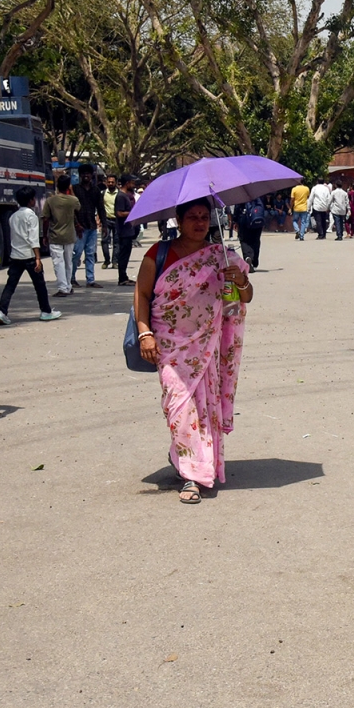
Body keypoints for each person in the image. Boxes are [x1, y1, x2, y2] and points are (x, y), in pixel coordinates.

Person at [133, 198, 253, 504]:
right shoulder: (159, 253)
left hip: (208, 346)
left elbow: (247, 296)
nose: (199, 223)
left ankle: (192, 475)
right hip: (170, 346)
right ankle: (190, 464)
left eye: (203, 217)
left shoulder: (222, 257)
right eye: (192, 218)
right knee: (179, 405)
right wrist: (145, 333)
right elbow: (142, 294)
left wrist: (238, 279)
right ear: (178, 219)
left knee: (203, 409)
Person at [0, 187, 61, 325]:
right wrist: (38, 258)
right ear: (31, 200)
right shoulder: (31, 216)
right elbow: (33, 238)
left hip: (16, 256)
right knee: (40, 285)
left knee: (10, 285)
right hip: (29, 256)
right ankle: (46, 311)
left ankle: (1, 311)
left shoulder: (13, 216)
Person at [41, 175, 81, 297]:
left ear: (57, 185)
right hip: (69, 235)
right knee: (69, 262)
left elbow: (46, 219)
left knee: (58, 263)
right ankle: (68, 286)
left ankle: (62, 288)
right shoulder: (73, 200)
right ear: (68, 186)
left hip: (55, 236)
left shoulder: (50, 201)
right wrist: (72, 190)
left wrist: (45, 235)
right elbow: (78, 210)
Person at [72, 166, 105, 288]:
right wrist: (76, 224)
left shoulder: (96, 190)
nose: (86, 175)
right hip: (79, 227)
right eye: (84, 173)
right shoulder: (75, 189)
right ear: (80, 175)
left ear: (92, 175)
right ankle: (72, 278)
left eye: (88, 173)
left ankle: (90, 280)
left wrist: (104, 225)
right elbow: (72, 210)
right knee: (76, 253)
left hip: (91, 226)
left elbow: (101, 208)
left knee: (91, 254)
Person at [114, 174, 139, 286]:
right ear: (127, 183)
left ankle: (124, 275)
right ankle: (122, 277)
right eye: (132, 182)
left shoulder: (127, 196)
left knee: (127, 253)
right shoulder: (121, 196)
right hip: (123, 230)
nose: (134, 185)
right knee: (123, 254)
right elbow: (119, 213)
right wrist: (133, 213)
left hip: (128, 229)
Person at [237, 196, 266, 269]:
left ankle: (247, 256)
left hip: (244, 219)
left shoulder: (241, 193)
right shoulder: (259, 192)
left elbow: (237, 208)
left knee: (244, 239)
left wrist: (234, 220)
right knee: (256, 240)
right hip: (257, 218)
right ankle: (254, 261)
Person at [101, 173, 120, 268]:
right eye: (109, 182)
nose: (111, 183)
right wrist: (98, 220)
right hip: (106, 220)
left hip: (117, 221)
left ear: (116, 183)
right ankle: (106, 260)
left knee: (117, 242)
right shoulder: (103, 193)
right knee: (104, 240)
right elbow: (100, 208)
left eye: (112, 182)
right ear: (106, 183)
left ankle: (115, 262)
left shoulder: (120, 194)